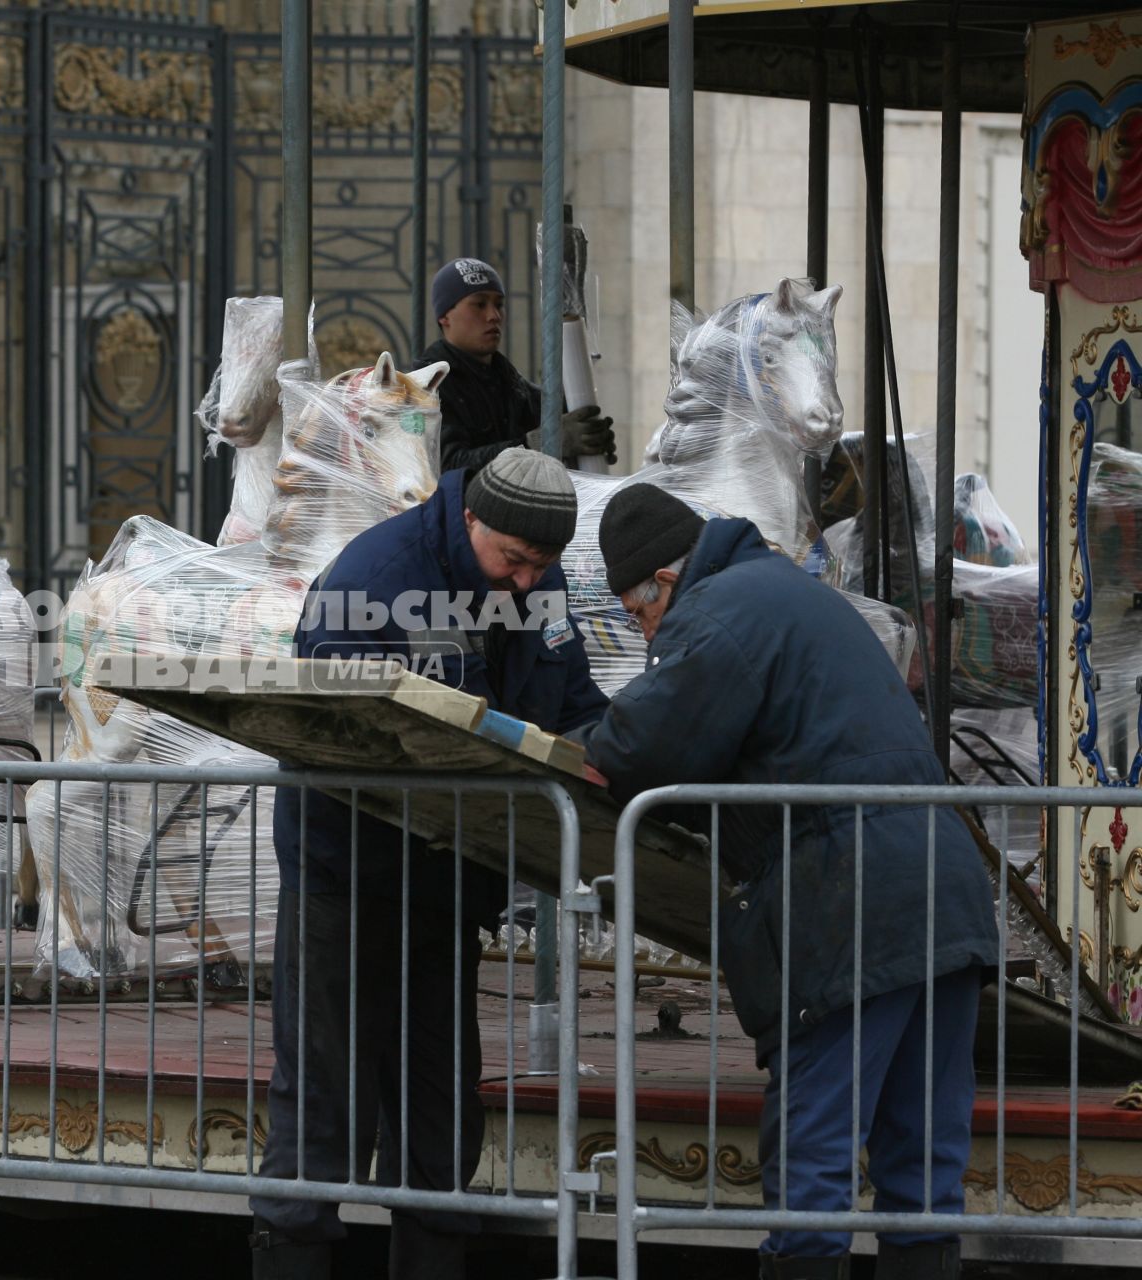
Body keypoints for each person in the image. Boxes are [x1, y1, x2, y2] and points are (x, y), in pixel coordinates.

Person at [584, 484, 998, 1280]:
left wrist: (567, 743)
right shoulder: (786, 589)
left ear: (662, 584)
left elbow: (642, 747)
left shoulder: (718, 611)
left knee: (812, 1169)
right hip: (941, 895)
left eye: (638, 617)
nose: (645, 637)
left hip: (852, 903)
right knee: (922, 1174)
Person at [250, 449, 609, 1279]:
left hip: (451, 877)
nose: (525, 582)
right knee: (325, 1098)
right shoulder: (376, 575)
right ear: (472, 519)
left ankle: (432, 1252)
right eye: (512, 560)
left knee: (441, 1099)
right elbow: (330, 723)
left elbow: (577, 701)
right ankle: (295, 1248)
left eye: (541, 565)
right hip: (347, 873)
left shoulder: (538, 584)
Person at [414, 257, 616, 472]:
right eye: (479, 304)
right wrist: (537, 444)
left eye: (499, 305)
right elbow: (446, 467)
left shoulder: (514, 387)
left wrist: (588, 436)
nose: (494, 316)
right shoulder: (424, 388)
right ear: (445, 316)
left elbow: (560, 432)